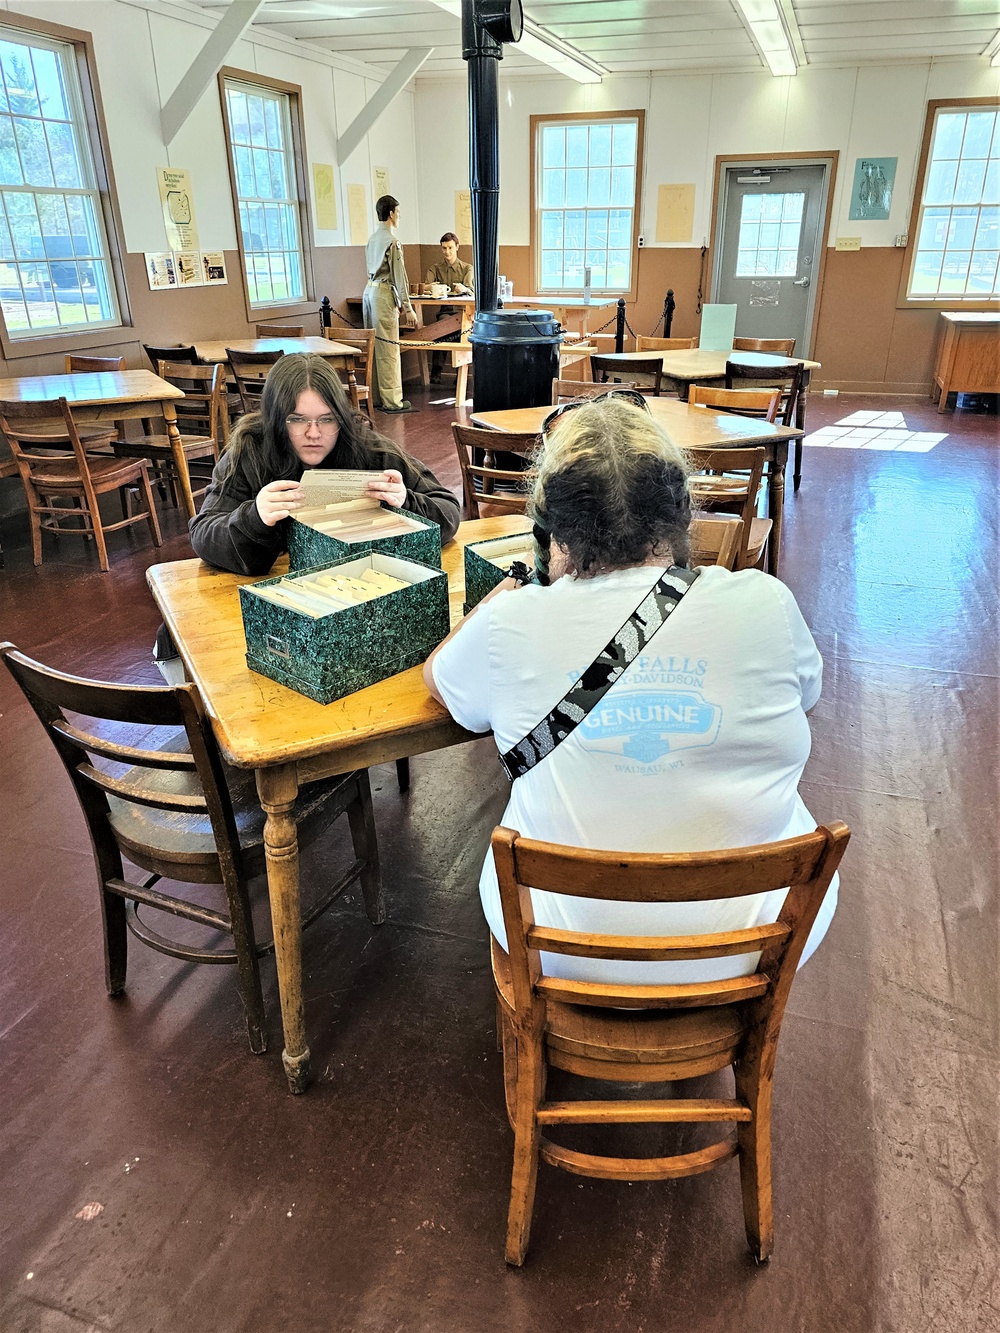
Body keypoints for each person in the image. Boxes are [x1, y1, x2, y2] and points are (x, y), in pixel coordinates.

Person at [424, 395, 835, 985]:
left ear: (553, 527)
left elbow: (441, 685)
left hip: (563, 947)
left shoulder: (509, 624)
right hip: (755, 943)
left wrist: (496, 604)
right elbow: (808, 695)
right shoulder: (764, 601)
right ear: (680, 512)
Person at [189, 353, 460, 576]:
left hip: (361, 586)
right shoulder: (250, 451)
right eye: (297, 419)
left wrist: (407, 502)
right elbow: (202, 535)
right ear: (274, 421)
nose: (314, 433)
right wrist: (254, 517)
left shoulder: (369, 449)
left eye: (327, 420)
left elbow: (448, 511)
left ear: (342, 418)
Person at [364, 195, 417, 414]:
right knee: (388, 349)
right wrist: (409, 307)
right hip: (384, 295)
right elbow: (399, 277)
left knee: (373, 348)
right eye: (398, 211)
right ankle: (393, 400)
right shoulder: (392, 242)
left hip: (369, 292)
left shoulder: (372, 239)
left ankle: (376, 396)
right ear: (391, 213)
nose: (399, 215)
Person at [425, 232, 474, 384]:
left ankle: (460, 373)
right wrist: (432, 287)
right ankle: (438, 371)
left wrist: (464, 289)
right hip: (445, 313)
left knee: (461, 329)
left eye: (450, 248)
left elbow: (471, 290)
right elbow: (425, 286)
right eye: (444, 248)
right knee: (443, 326)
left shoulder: (467, 268)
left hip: (463, 313)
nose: (447, 251)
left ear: (457, 247)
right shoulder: (436, 268)